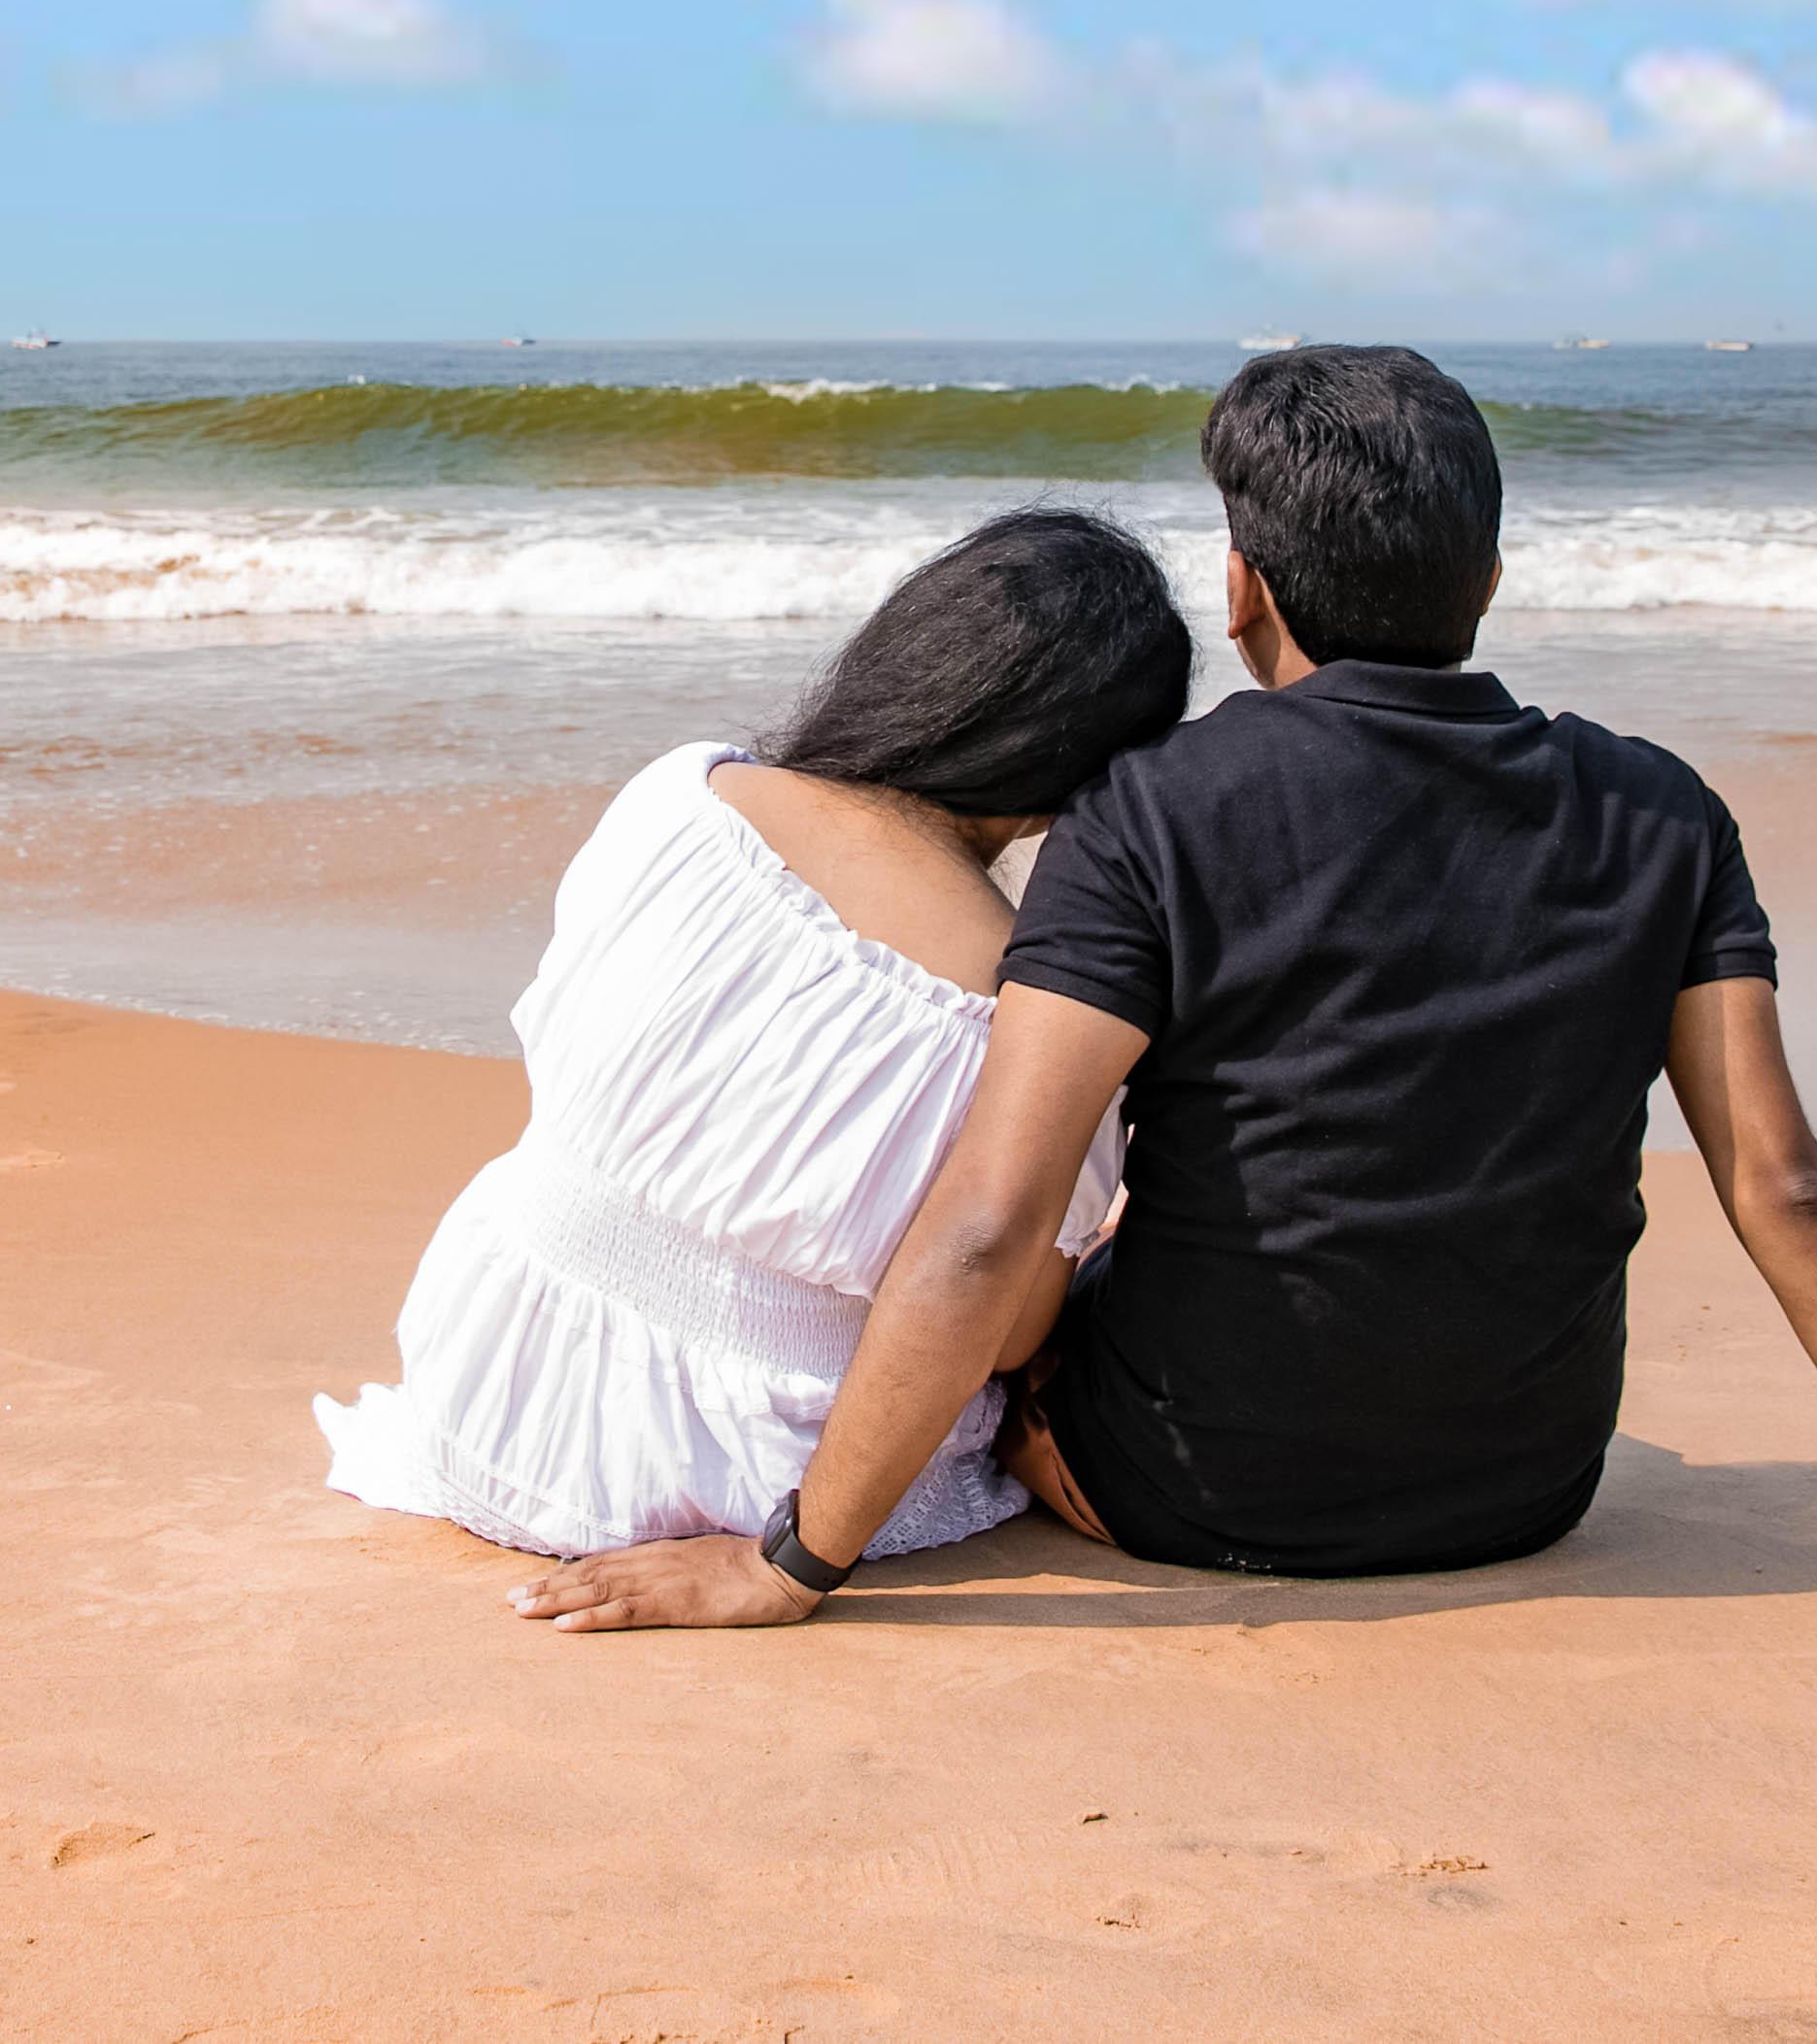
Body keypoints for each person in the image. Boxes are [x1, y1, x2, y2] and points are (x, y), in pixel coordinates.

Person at [509, 346, 1817, 1682]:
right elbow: (1787, 1193)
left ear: (1243, 590)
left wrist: (790, 1566)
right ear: (1490, 583)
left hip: (1186, 1499)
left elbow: (985, 1224)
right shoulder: (1662, 808)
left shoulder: (1149, 818)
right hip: (1527, 1487)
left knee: (1065, 1246)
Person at [318, 507, 1192, 1561]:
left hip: (490, 1371)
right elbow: (1001, 1332)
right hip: (762, 1468)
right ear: (1093, 772)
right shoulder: (1019, 1009)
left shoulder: (683, 798)